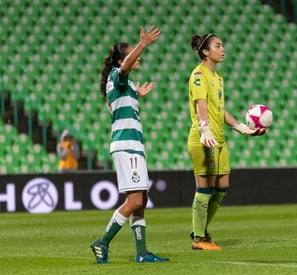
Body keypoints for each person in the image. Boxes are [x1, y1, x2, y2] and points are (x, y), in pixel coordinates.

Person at [90, 26, 169, 264]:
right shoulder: (117, 74)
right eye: (132, 52)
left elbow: (118, 105)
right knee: (134, 201)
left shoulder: (124, 84)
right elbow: (124, 69)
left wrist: (138, 95)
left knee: (141, 200)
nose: (138, 55)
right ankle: (102, 243)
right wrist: (142, 43)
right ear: (119, 59)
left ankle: (142, 252)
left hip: (132, 145)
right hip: (127, 145)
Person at [187, 33, 267, 250]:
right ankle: (199, 238)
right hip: (204, 138)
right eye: (218, 46)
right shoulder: (198, 75)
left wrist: (242, 128)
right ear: (205, 51)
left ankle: (200, 230)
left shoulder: (218, 77)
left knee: (222, 188)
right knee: (204, 189)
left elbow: (219, 110)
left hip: (219, 139)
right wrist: (204, 129)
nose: (223, 49)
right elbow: (200, 104)